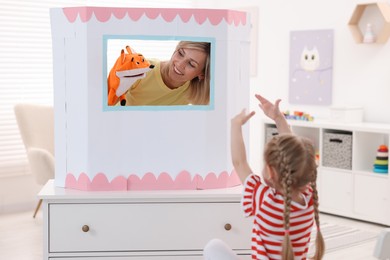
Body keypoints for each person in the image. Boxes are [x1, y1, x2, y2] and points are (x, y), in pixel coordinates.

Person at [204, 94, 325, 260]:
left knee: (213, 247)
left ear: (270, 171)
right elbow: (296, 155)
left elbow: (239, 162)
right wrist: (279, 118)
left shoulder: (264, 199)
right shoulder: (310, 199)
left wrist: (235, 124)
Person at [124, 41, 211, 106]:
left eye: (191, 64)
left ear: (201, 74)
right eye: (180, 53)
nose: (180, 64)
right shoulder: (142, 69)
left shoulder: (193, 91)